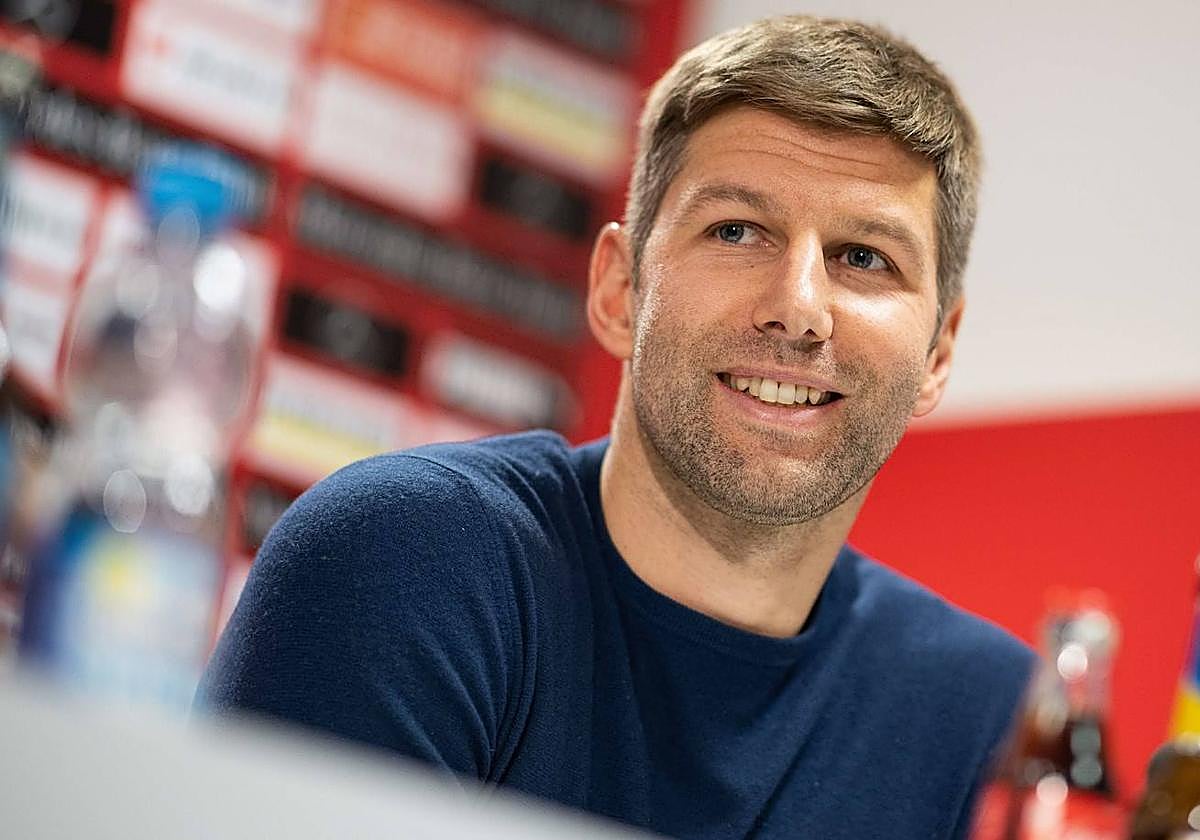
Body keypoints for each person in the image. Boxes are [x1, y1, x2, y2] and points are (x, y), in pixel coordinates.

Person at [198, 14, 1035, 839]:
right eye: (737, 231)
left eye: (864, 257)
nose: (799, 307)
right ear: (619, 291)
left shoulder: (993, 724)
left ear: (938, 352)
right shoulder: (406, 561)